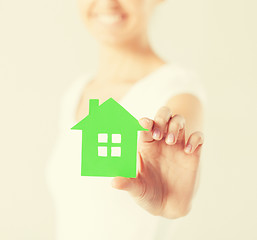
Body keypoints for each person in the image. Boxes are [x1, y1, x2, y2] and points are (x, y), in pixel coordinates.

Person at [45, 0, 207, 239]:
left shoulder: (176, 90)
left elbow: (182, 120)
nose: (108, 3)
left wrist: (170, 200)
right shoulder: (75, 93)